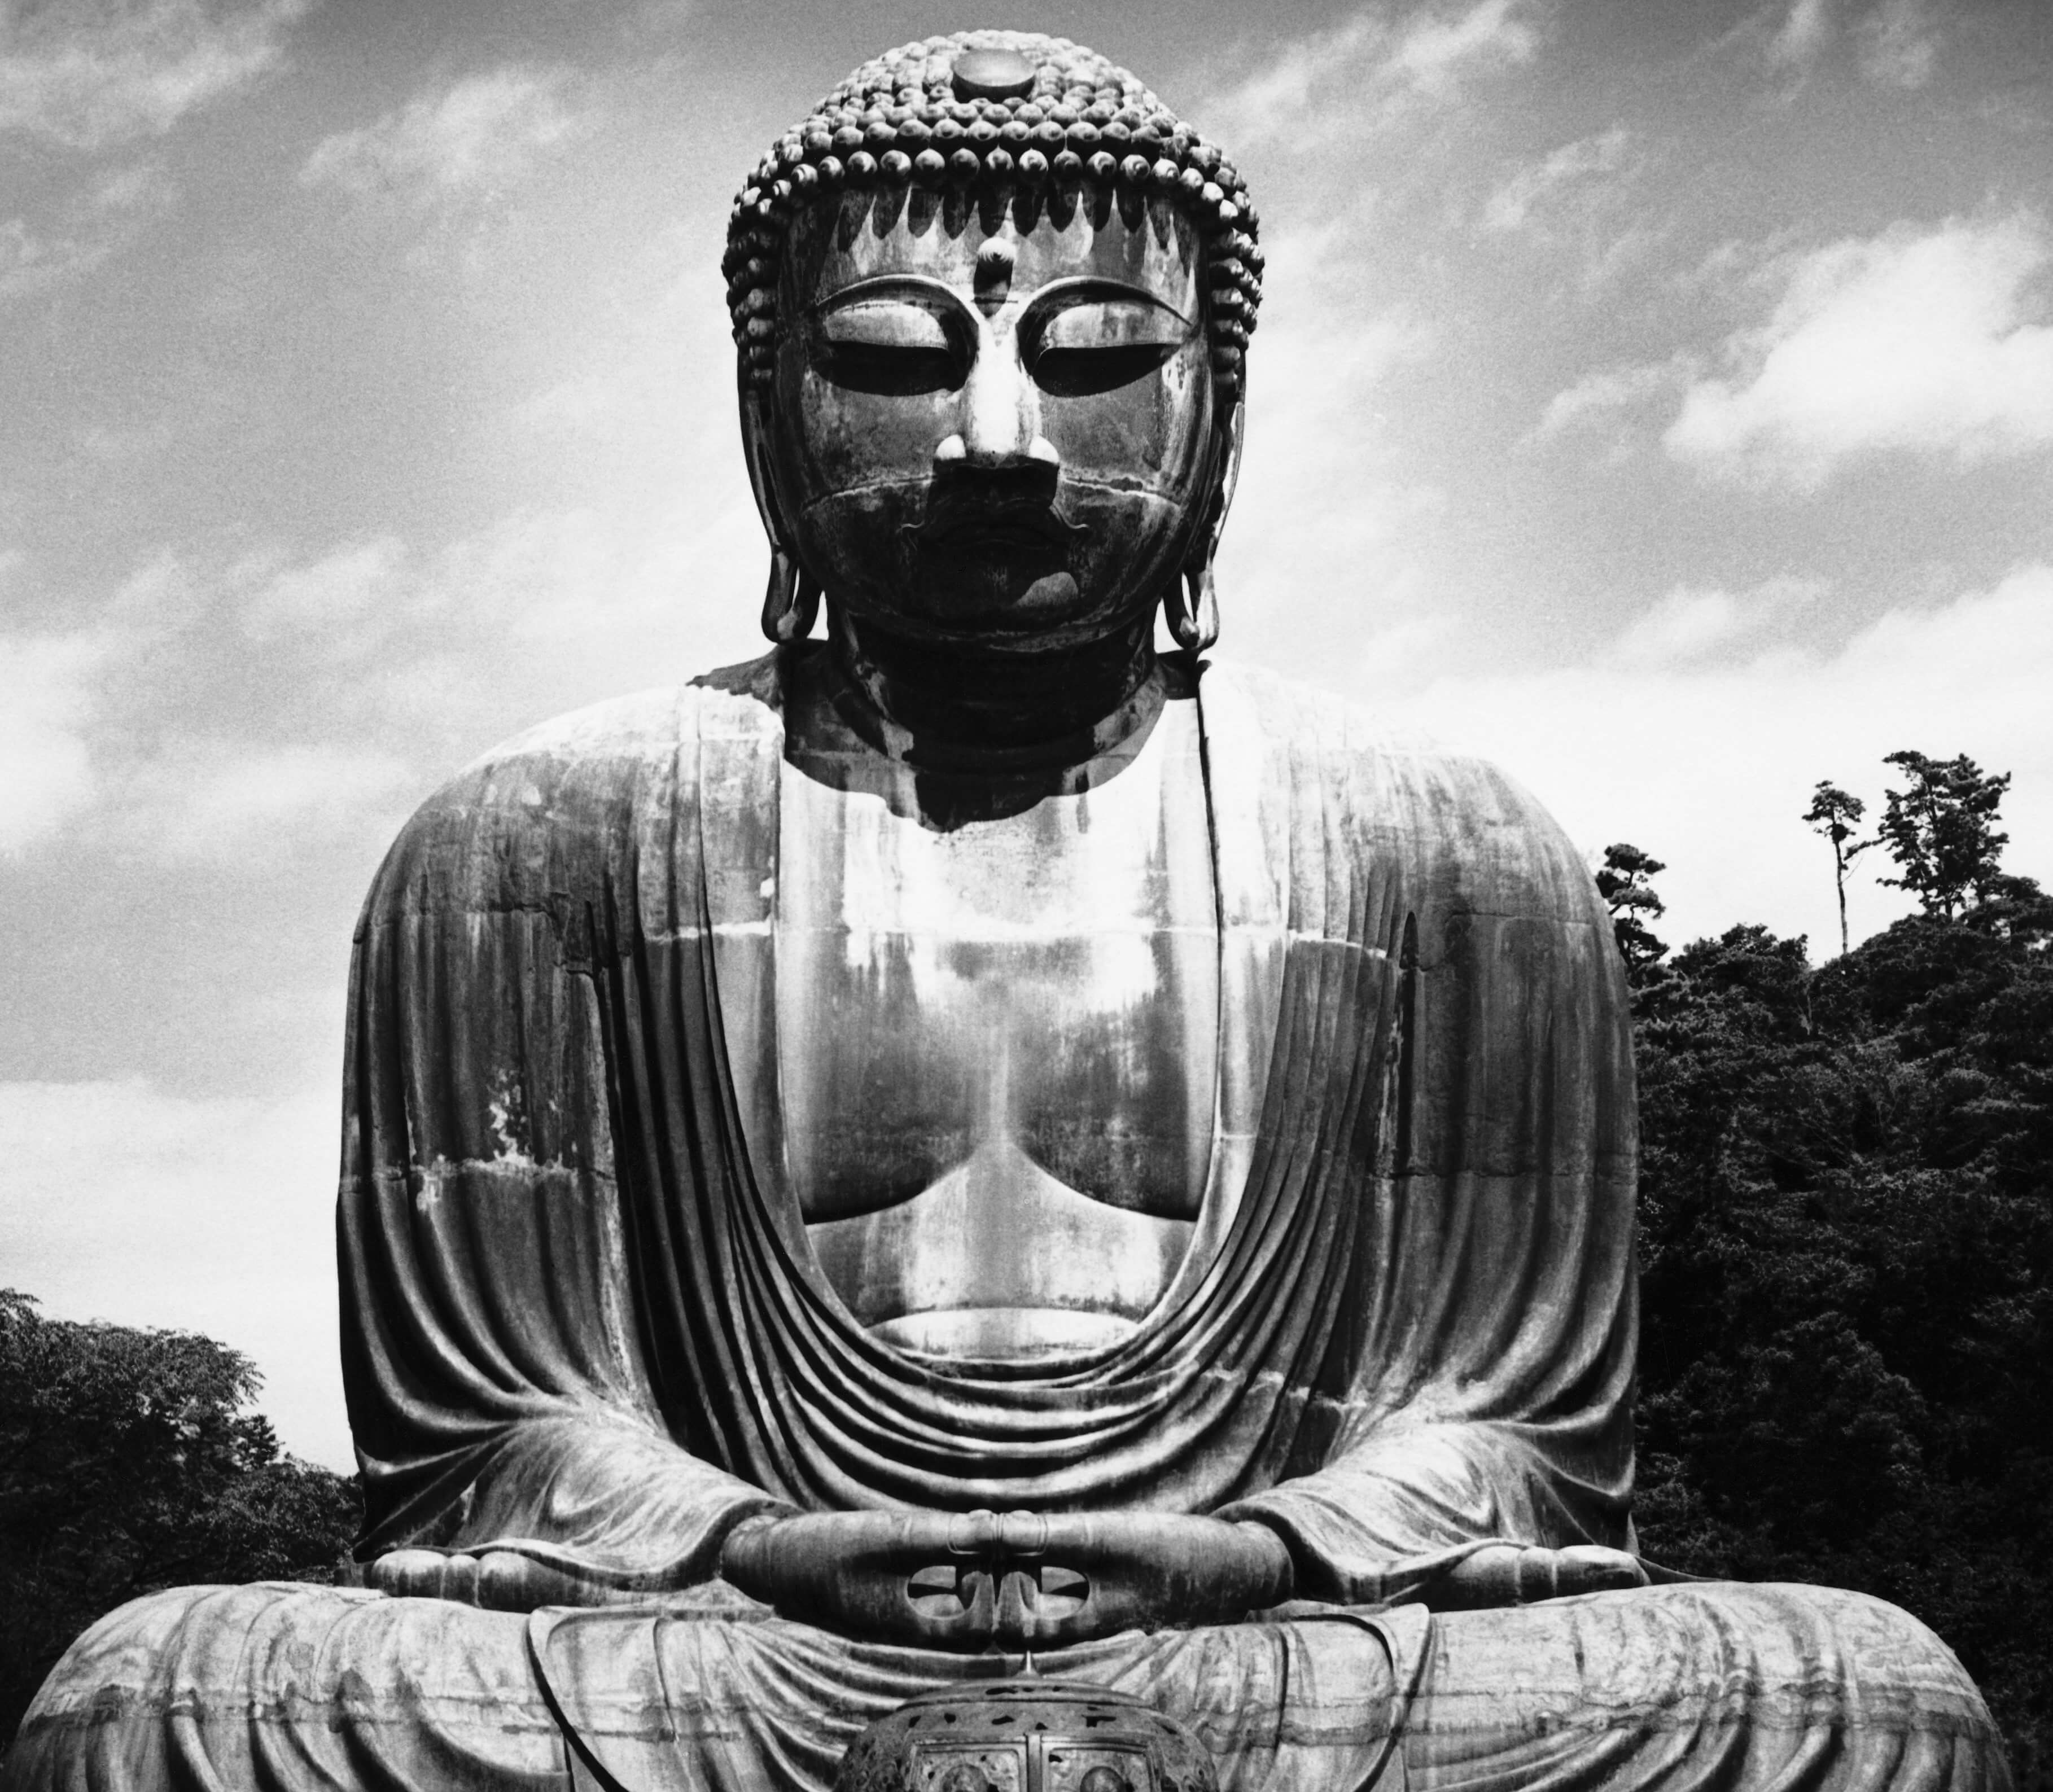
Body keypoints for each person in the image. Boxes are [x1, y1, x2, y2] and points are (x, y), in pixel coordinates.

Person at [6, 32, 2007, 1792]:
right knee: (161, 1700)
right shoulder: (530, 842)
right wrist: (748, 1542)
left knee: (1857, 1699)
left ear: (1215, 399)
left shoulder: (1450, 854)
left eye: (1097, 357)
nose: (993, 442)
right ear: (771, 406)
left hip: (1276, 1658)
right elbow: (492, 1434)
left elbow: (1513, 1436)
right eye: (893, 356)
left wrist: (1260, 1554)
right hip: (736, 1659)